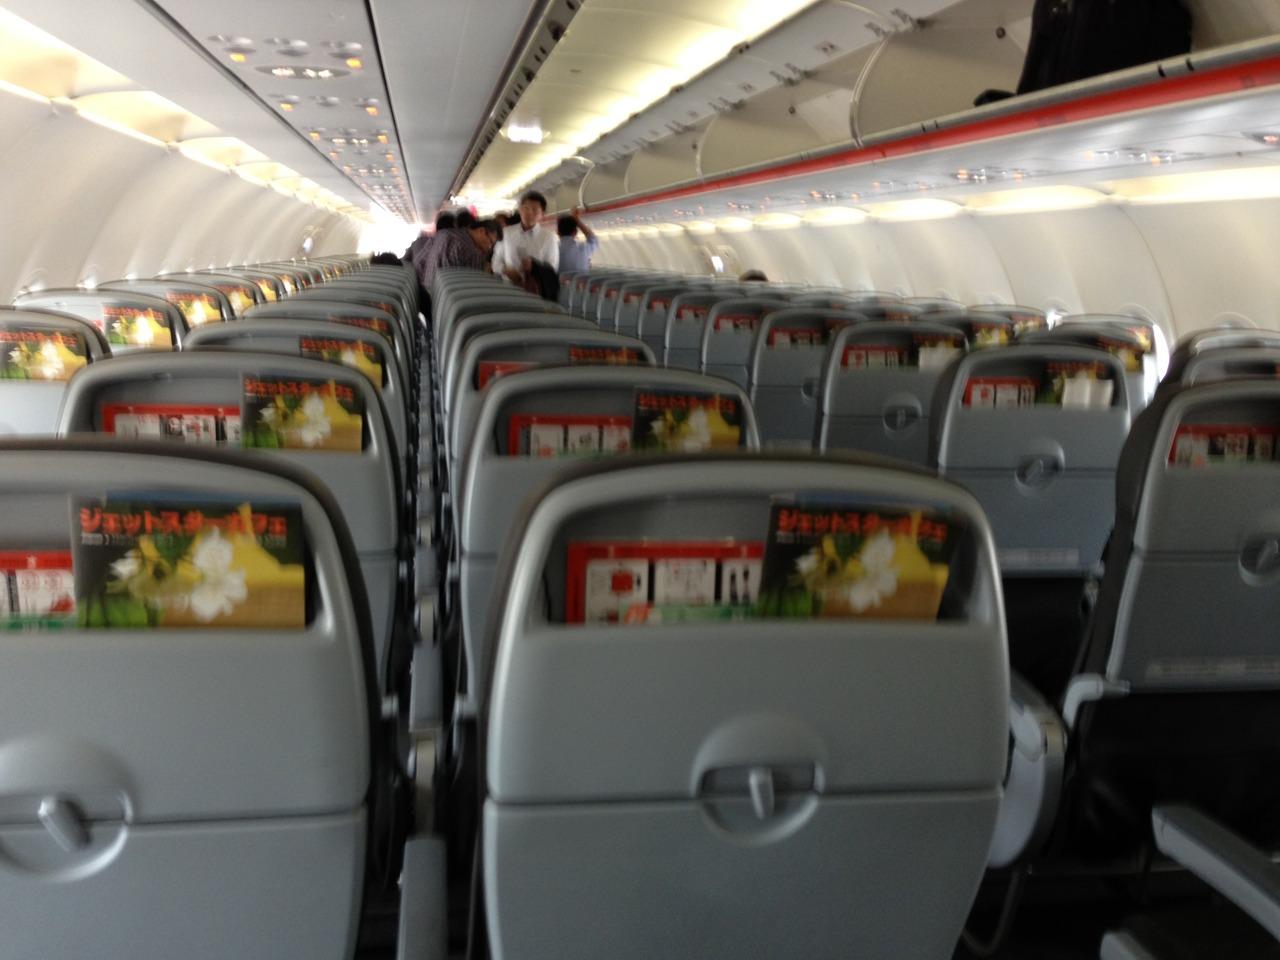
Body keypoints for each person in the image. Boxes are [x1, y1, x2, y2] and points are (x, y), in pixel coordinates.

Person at [414, 210, 494, 290]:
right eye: (490, 241)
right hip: (448, 293)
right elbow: (477, 285)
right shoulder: (471, 250)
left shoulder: (437, 238)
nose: (490, 246)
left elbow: (418, 262)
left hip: (427, 288)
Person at [492, 190, 559, 286]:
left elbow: (552, 269)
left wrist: (535, 268)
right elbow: (495, 261)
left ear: (542, 214)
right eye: (526, 208)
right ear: (520, 210)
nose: (529, 213)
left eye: (535, 210)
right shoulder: (506, 233)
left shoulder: (549, 238)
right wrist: (505, 270)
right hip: (508, 287)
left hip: (535, 289)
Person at [557, 207, 598, 274]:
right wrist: (577, 219)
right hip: (581, 280)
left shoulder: (552, 249)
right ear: (575, 232)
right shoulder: (583, 248)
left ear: (557, 232)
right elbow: (593, 240)